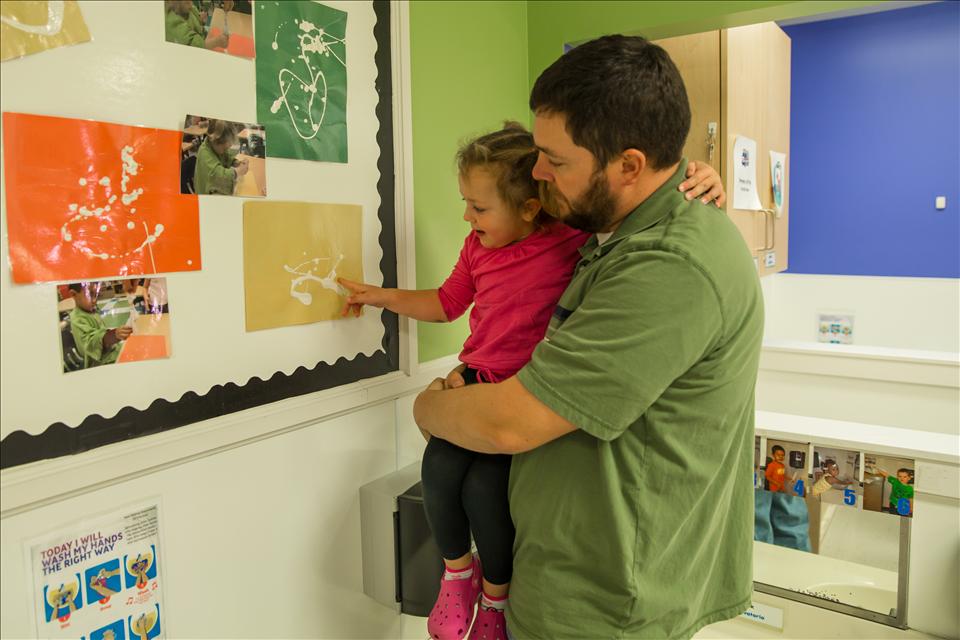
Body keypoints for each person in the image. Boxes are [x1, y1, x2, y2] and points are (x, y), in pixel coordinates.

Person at [413, 34, 762, 639]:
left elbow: (509, 423)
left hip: (603, 607)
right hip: (565, 573)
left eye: (556, 160)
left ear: (629, 165)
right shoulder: (616, 231)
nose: (537, 173)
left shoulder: (668, 264)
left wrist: (428, 406)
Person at [339, 121, 724, 640]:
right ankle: (457, 576)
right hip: (476, 382)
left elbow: (637, 206)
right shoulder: (476, 249)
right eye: (466, 204)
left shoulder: (568, 239)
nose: (467, 216)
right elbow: (446, 303)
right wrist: (382, 297)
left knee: (485, 494)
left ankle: (496, 600)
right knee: (439, 475)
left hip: (521, 393)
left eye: (478, 207)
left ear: (527, 208)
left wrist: (701, 174)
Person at [68, 282, 132, 369]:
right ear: (73, 294)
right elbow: (92, 342)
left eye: (96, 295)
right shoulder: (77, 319)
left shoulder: (91, 309)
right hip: (101, 363)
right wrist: (115, 335)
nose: (95, 300)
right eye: (90, 295)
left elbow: (101, 330)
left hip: (112, 351)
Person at [193, 119, 249, 196]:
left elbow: (226, 156)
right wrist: (238, 171)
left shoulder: (214, 146)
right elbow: (218, 176)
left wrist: (236, 162)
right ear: (215, 142)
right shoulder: (204, 153)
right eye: (224, 149)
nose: (226, 151)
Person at [164, 0, 228, 50]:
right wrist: (216, 42)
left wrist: (200, 19)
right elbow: (196, 46)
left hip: (201, 36)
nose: (191, 4)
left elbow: (194, 16)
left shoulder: (184, 6)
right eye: (187, 3)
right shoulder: (172, 22)